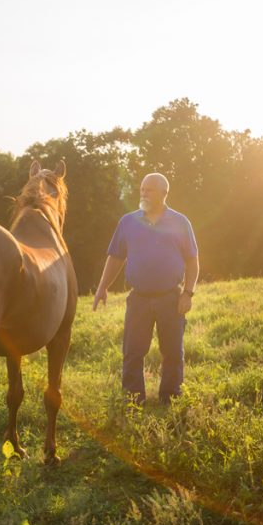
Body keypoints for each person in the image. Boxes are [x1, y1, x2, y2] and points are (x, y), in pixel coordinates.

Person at [92, 172, 199, 405]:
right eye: (142, 189)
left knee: (172, 352)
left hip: (170, 298)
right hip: (138, 298)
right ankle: (133, 400)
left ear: (164, 193)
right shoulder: (128, 222)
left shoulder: (180, 222)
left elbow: (192, 261)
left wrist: (187, 293)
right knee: (132, 352)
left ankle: (169, 398)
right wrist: (102, 287)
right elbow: (115, 258)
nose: (143, 193)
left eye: (149, 189)